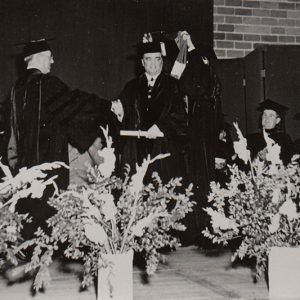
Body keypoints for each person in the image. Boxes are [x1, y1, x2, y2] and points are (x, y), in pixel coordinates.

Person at [1, 39, 122, 240]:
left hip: (24, 163)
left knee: (28, 211)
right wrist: (107, 106)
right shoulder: (46, 83)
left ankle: (27, 251)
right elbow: (76, 103)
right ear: (40, 58)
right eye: (50, 57)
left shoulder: (16, 89)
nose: (53, 61)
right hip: (46, 161)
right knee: (47, 211)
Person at [117, 40, 187, 182]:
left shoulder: (173, 86)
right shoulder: (131, 87)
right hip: (137, 151)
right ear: (142, 62)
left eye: (157, 59)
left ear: (162, 60)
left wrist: (161, 127)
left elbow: (181, 117)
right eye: (148, 59)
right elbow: (123, 118)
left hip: (163, 149)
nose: (154, 64)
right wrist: (119, 116)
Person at [246, 99, 293, 164]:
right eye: (264, 115)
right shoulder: (251, 139)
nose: (267, 119)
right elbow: (244, 163)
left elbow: (289, 163)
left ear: (277, 120)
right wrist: (257, 157)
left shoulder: (285, 140)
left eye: (271, 116)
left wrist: (269, 158)